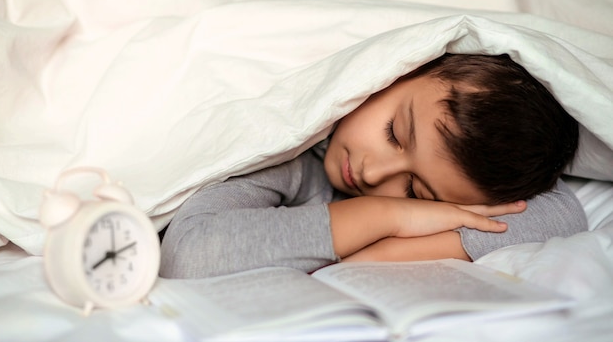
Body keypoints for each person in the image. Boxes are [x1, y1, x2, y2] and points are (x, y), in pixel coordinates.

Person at [159, 53, 587, 279]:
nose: (373, 174)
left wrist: (382, 252)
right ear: (406, 68)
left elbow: (559, 215)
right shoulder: (289, 156)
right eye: (394, 134)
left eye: (415, 192)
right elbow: (190, 255)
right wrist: (389, 214)